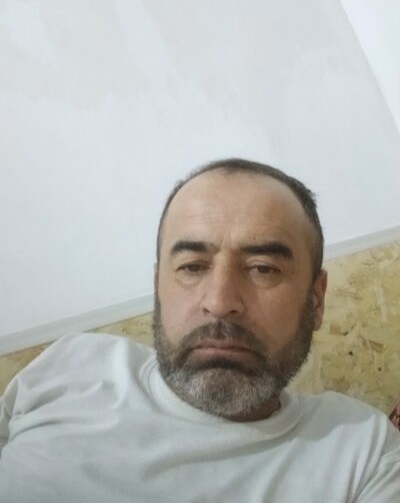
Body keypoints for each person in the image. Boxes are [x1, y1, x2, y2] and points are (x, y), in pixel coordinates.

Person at [0, 158, 399, 502]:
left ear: (316, 299)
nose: (220, 301)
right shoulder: (70, 364)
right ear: (158, 285)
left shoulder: (365, 452)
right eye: (192, 266)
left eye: (263, 269)